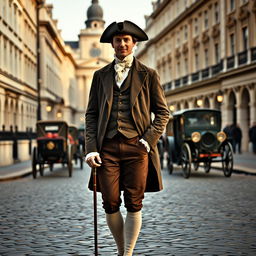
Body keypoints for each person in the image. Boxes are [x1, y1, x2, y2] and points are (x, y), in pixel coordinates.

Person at [85, 20, 170, 256]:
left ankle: (127, 253)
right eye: (118, 40)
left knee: (134, 202)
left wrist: (148, 140)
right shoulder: (99, 76)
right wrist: (91, 148)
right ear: (112, 43)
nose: (122, 43)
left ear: (133, 44)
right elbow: (91, 114)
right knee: (110, 202)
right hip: (107, 149)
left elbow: (163, 112)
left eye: (126, 40)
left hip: (138, 148)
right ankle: (121, 249)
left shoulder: (149, 75)